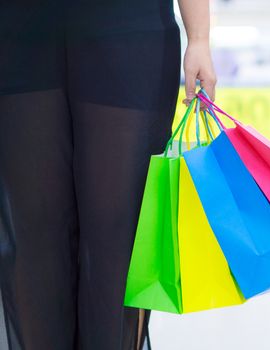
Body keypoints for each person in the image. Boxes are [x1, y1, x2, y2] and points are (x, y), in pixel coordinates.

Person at [0, 0, 216, 349]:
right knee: (33, 236)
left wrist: (200, 38)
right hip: (17, 34)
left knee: (118, 238)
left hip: (128, 30)